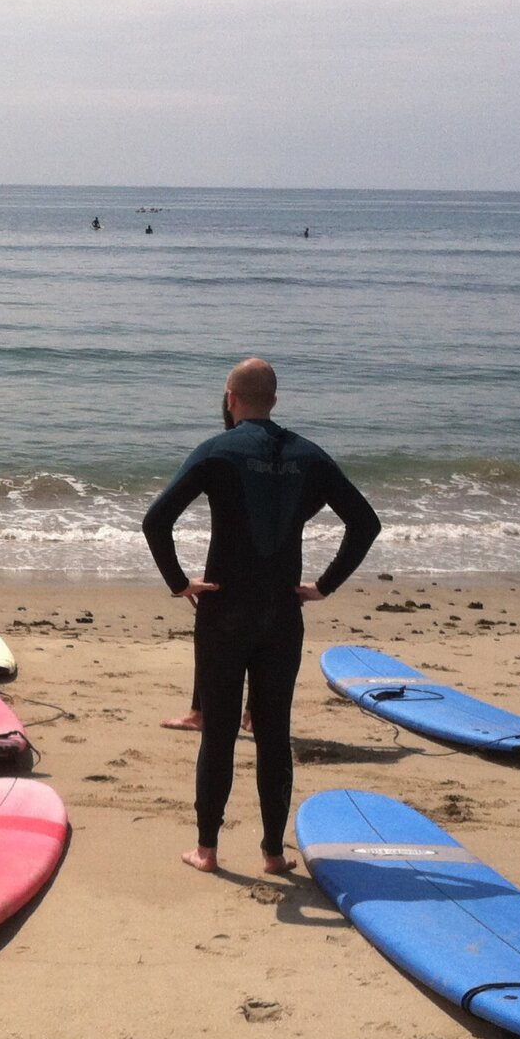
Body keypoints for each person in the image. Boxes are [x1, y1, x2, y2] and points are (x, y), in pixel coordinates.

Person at [142, 359, 381, 876]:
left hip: (224, 610)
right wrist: (324, 584)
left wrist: (179, 582)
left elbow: (156, 520)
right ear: (274, 398)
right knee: (274, 732)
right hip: (282, 612)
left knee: (220, 732)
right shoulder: (309, 455)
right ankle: (273, 853)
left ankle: (207, 850)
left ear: (231, 397)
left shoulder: (216, 451)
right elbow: (365, 523)